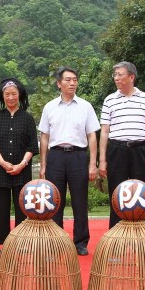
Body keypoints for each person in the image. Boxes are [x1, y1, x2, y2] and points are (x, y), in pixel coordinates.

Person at [39, 66, 100, 256]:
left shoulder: (85, 106)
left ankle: (80, 242)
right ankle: (56, 241)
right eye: (68, 80)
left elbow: (92, 135)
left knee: (80, 201)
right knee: (55, 201)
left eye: (75, 79)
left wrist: (93, 163)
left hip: (78, 156)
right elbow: (44, 137)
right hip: (55, 156)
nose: (72, 83)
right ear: (59, 83)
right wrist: (43, 164)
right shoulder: (49, 107)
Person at [99, 62, 145, 228]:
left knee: (142, 193)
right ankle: (116, 233)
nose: (116, 78)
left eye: (120, 74)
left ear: (131, 77)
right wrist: (102, 160)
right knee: (117, 193)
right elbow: (104, 131)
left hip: (140, 150)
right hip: (117, 150)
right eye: (115, 75)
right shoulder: (110, 100)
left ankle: (141, 232)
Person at [0, 78, 39, 251]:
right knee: (1, 211)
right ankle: (5, 244)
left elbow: (33, 146)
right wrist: (3, 163)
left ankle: (21, 242)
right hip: (0, 171)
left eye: (14, 94)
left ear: (20, 95)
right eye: (7, 94)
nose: (10, 97)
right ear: (2, 97)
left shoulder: (28, 118)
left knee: (22, 209)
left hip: (22, 171)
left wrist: (21, 165)